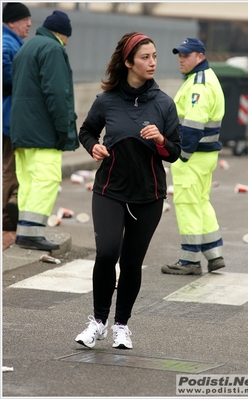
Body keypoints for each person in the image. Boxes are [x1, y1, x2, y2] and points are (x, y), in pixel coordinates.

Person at [76, 32, 181, 349]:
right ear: (128, 62)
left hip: (148, 195)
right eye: (145, 57)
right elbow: (87, 130)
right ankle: (98, 322)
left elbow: (175, 151)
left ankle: (121, 325)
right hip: (109, 189)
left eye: (155, 56)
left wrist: (161, 141)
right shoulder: (106, 100)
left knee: (132, 262)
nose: (152, 62)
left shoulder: (163, 103)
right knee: (107, 252)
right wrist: (94, 146)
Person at [10, 10, 79, 251]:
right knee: (47, 179)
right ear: (61, 33)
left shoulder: (26, 48)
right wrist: (64, 130)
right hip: (42, 132)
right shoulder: (53, 49)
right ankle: (31, 233)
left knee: (28, 181)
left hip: (21, 131)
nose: (67, 43)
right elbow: (57, 94)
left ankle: (25, 231)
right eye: (67, 38)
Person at [161, 38, 226, 276]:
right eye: (179, 55)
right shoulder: (206, 78)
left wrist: (180, 154)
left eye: (186, 55)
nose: (181, 59)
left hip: (193, 156)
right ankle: (214, 255)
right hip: (205, 155)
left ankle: (189, 260)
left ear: (199, 56)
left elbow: (193, 125)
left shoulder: (198, 85)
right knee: (201, 202)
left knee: (187, 204)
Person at [2, 2, 31, 231]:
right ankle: (5, 217)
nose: (29, 24)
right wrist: (24, 76)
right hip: (10, 117)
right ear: (11, 21)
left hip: (12, 116)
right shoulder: (6, 41)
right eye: (25, 20)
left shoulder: (13, 41)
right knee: (10, 168)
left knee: (13, 167)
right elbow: (5, 70)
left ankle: (11, 207)